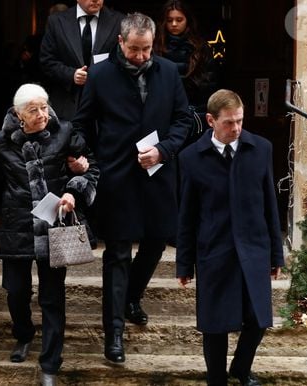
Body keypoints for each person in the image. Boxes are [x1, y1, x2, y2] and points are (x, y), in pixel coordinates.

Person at [72, 12, 191, 363]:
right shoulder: (100, 74)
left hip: (158, 174)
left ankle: (131, 297)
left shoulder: (169, 72)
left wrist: (163, 151)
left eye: (147, 49)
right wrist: (79, 155)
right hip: (117, 176)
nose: (141, 56)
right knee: (118, 253)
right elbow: (83, 122)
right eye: (135, 49)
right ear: (121, 43)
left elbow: (184, 119)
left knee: (156, 242)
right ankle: (114, 335)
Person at [0, 83, 99, 386]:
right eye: (33, 110)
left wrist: (75, 188)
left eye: (44, 107)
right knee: (16, 292)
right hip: (17, 224)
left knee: (52, 298)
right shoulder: (0, 141)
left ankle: (50, 363)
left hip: (54, 226)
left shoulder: (65, 132)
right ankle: (23, 334)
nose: (42, 115)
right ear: (18, 114)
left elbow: (90, 168)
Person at [176, 89, 284, 386]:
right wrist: (184, 263)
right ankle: (216, 379)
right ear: (211, 120)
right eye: (228, 122)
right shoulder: (190, 158)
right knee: (215, 325)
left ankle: (240, 367)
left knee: (259, 320)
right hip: (214, 250)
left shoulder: (261, 148)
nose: (236, 128)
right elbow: (186, 215)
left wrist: (276, 254)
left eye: (240, 120)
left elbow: (270, 205)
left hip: (254, 249)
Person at [40, 0, 123, 120]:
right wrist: (71, 74)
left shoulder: (119, 21)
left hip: (106, 105)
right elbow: (46, 61)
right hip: (67, 102)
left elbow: (125, 59)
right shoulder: (57, 21)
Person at [154, 0, 219, 144]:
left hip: (194, 112)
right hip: (163, 113)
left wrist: (198, 115)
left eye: (179, 20)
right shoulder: (155, 47)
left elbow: (208, 86)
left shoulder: (201, 49)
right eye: (169, 20)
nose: (174, 24)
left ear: (187, 20)